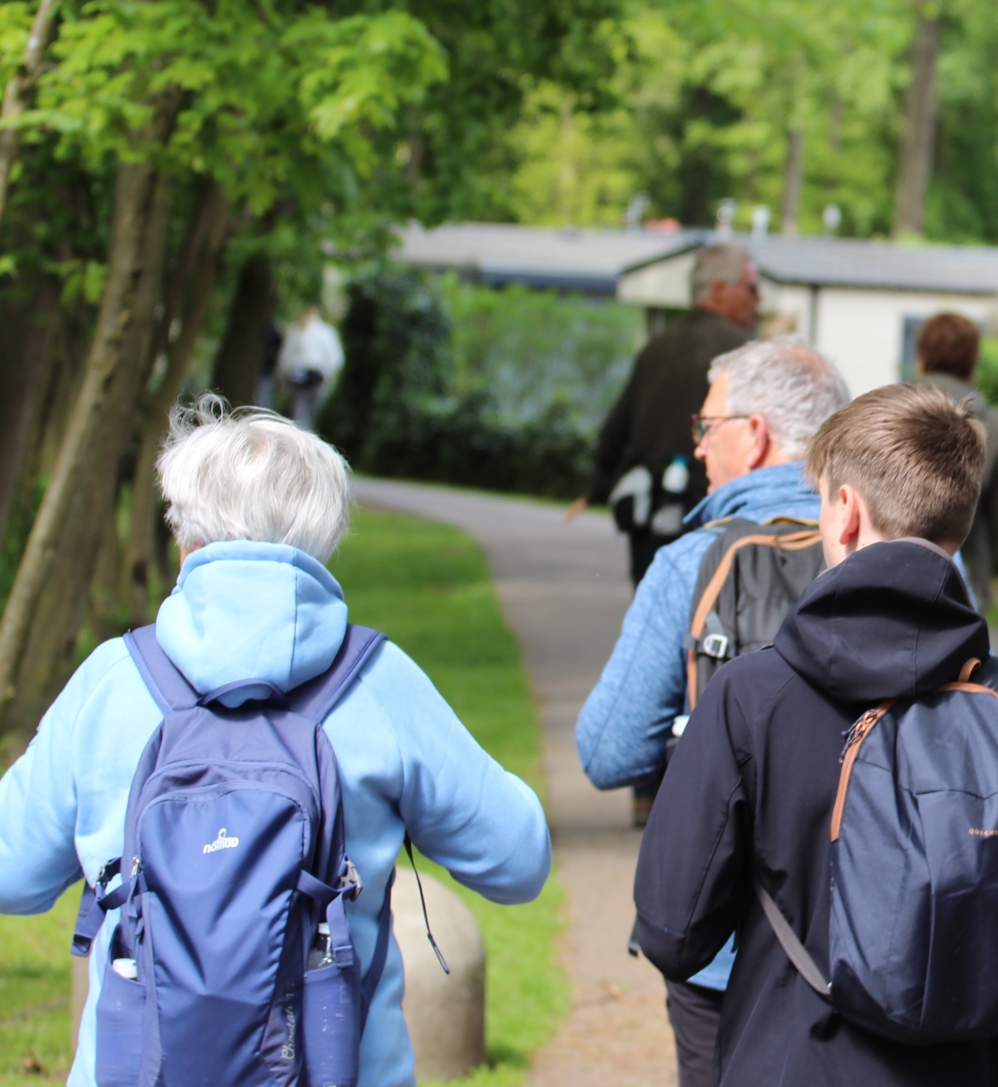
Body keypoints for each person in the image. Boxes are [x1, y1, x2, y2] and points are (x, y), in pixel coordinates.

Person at [0, 399, 551, 1087]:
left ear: (185, 536)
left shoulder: (112, 681)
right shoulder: (379, 682)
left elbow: (12, 875)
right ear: (324, 539)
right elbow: (518, 862)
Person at [631, 383, 998, 1086]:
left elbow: (673, 931)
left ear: (844, 510)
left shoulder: (753, 697)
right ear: (961, 520)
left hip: (790, 1062)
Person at [575, 334, 848, 1087]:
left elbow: (608, 751)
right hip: (881, 932)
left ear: (754, 435)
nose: (697, 447)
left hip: (728, 946)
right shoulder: (915, 553)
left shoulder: (690, 563)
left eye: (706, 426)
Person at [573, 242, 761, 586]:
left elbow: (616, 426)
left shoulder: (658, 346)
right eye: (752, 287)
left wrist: (598, 485)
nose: (757, 299)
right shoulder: (743, 351)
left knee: (653, 606)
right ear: (720, 289)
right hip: (710, 515)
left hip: (646, 512)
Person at [914, 313, 998, 609]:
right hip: (964, 569)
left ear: (921, 357)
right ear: (973, 362)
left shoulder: (891, 410)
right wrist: (986, 558)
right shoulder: (992, 421)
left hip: (891, 561)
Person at [278, 306, 345, 430]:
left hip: (315, 378)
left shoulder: (325, 332)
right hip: (300, 378)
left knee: (304, 412)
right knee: (301, 412)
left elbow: (335, 359)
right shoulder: (296, 331)